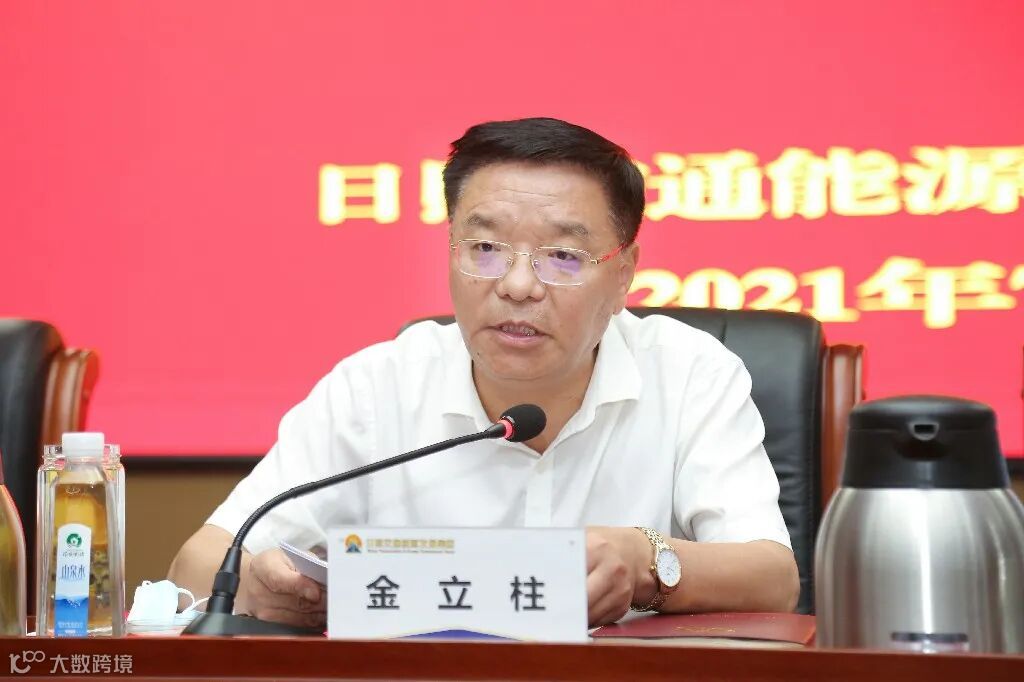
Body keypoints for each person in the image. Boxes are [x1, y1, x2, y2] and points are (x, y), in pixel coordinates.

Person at [168, 117, 799, 628]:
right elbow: (195, 565)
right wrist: (251, 586)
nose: (518, 285)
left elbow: (773, 578)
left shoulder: (690, 373)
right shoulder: (376, 388)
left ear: (624, 273)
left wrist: (643, 562)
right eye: (487, 248)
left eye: (563, 256)